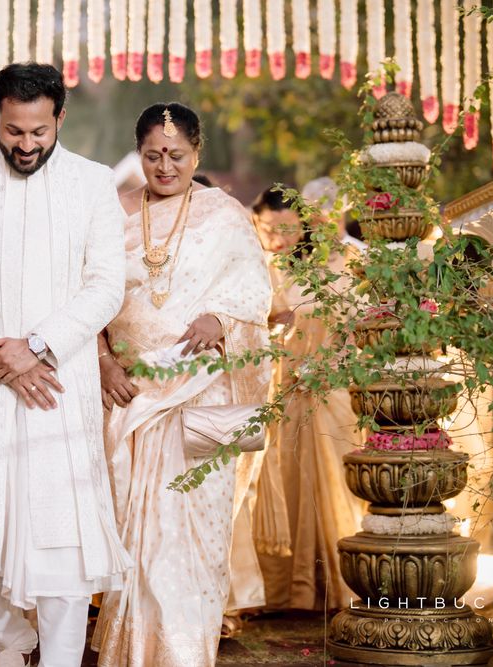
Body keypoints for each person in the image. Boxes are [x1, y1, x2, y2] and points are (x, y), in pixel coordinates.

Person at [0, 63, 132, 667]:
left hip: (58, 383)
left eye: (39, 131)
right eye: (14, 130)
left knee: (60, 529)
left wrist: (36, 345)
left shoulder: (92, 184)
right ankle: (15, 640)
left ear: (59, 119)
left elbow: (105, 287)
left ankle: (62, 659)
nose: (26, 144)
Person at [91, 103, 273, 666]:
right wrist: (102, 361)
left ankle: (186, 653)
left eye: (176, 155)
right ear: (137, 154)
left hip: (202, 395)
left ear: (199, 153)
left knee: (194, 534)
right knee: (137, 538)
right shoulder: (111, 214)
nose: (164, 166)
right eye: (152, 156)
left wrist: (219, 319)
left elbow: (254, 292)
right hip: (133, 394)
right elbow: (86, 300)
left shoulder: (223, 213)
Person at [250, 186, 366, 611]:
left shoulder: (351, 264)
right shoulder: (273, 268)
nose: (282, 237)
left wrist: (334, 364)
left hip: (334, 390)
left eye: (329, 213)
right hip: (286, 388)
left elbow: (361, 328)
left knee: (338, 486)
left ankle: (342, 584)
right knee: (288, 483)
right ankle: (290, 591)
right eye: (271, 228)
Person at [300, 176, 367, 250]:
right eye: (320, 223)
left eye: (336, 222)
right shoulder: (300, 254)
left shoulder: (364, 255)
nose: (328, 233)